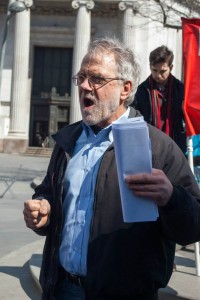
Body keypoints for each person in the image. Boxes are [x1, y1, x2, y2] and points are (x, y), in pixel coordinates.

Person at [23, 37, 200, 300]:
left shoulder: (159, 148)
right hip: (61, 289)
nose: (84, 85)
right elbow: (49, 191)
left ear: (125, 89)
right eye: (81, 76)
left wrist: (171, 198)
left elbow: (193, 226)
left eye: (96, 78)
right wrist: (43, 207)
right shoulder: (67, 141)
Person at [131, 45, 186, 154]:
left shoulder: (181, 89)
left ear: (171, 67)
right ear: (150, 66)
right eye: (154, 70)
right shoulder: (141, 90)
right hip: (149, 145)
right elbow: (134, 118)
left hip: (175, 144)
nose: (158, 75)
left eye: (162, 71)